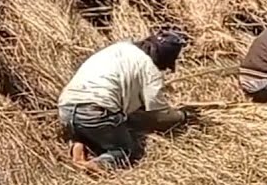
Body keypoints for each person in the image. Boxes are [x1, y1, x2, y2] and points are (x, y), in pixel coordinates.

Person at [57, 28, 193, 172]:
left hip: (66, 107)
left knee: (95, 131)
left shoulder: (120, 48)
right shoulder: (149, 67)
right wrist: (182, 116)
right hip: (95, 111)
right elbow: (159, 114)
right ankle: (98, 165)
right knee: (126, 150)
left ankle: (79, 146)